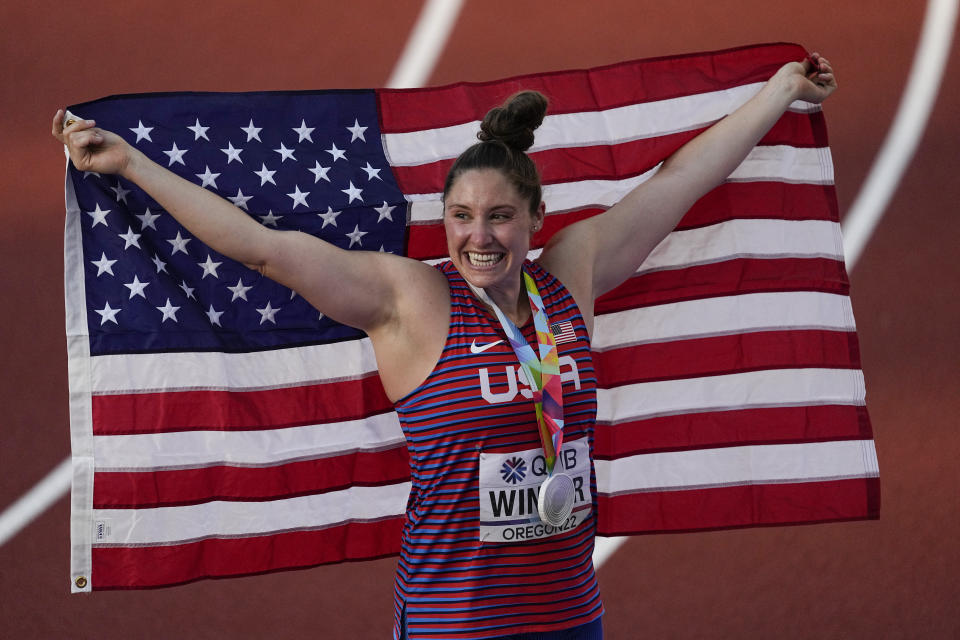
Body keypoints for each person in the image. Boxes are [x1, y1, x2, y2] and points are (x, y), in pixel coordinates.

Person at [53, 53, 836, 640]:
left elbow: (681, 182)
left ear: (533, 217)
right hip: (454, 625)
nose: (479, 236)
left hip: (571, 619)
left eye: (499, 216)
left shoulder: (570, 278)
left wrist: (780, 90)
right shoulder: (411, 302)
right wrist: (130, 165)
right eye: (461, 217)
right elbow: (264, 248)